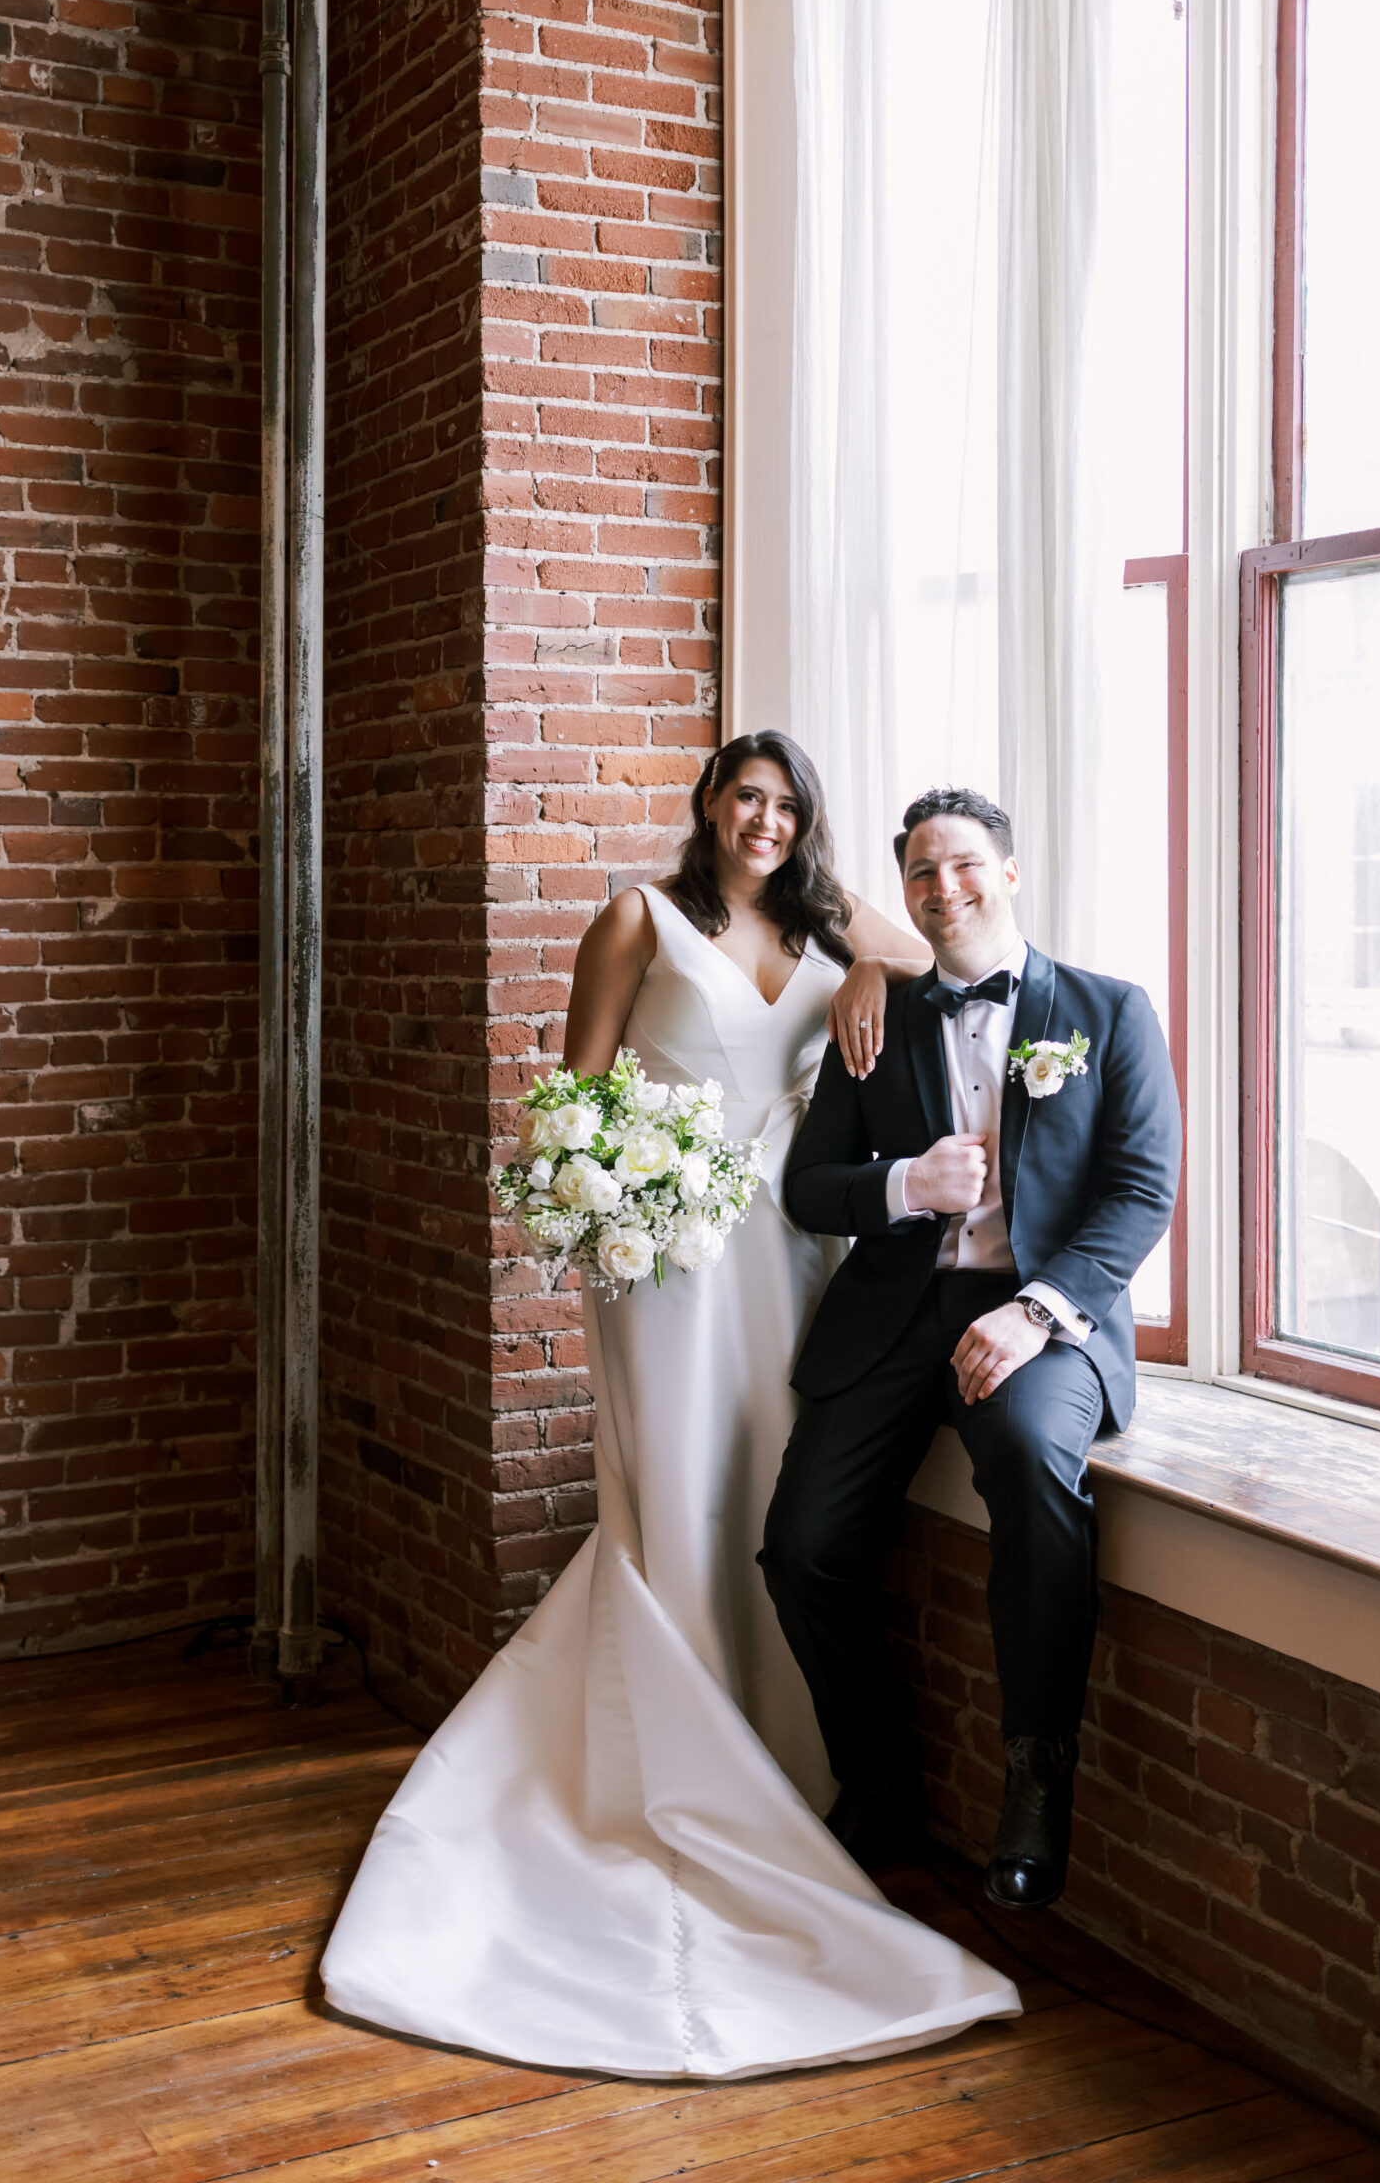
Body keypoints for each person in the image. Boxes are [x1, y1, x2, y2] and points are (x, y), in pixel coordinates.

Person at [319, 734, 1021, 2078]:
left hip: (797, 1256)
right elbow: (569, 1103)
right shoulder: (637, 918)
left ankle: (775, 1762)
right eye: (741, 798)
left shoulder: (828, 918)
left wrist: (864, 961)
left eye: (784, 804)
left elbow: (938, 955)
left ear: (804, 820)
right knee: (678, 1482)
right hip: (666, 1254)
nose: (761, 820)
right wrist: (616, 1206)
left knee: (768, 1483)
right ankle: (688, 1767)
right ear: (705, 806)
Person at [766, 787, 1180, 1910]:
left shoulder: (1109, 1008)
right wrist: (905, 1184)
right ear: (902, 892)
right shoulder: (881, 1020)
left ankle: (1038, 1783)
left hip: (1044, 1320)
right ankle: (878, 1778)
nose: (941, 889)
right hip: (898, 1314)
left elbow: (1144, 1194)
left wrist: (1037, 1311)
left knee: (1034, 1472)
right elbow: (808, 1186)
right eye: (919, 874)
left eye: (961, 866)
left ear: (1007, 870)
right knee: (799, 1546)